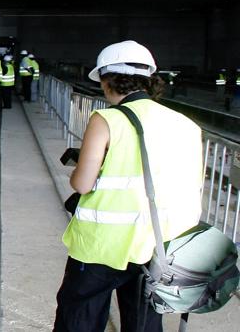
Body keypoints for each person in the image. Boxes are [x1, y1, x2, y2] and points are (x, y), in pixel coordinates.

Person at [53, 40, 203, 332]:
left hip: (101, 246)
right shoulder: (186, 124)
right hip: (160, 245)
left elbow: (82, 183)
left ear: (108, 81)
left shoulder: (107, 119)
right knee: (144, 322)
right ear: (149, 81)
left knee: (80, 316)